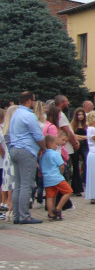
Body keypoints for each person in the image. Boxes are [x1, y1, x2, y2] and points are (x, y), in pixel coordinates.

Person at [7, 92, 44, 224]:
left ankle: (17, 215)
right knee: (26, 184)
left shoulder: (15, 114)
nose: (34, 103)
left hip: (14, 148)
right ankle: (24, 215)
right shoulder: (29, 115)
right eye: (34, 100)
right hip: (26, 150)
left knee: (18, 184)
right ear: (29, 101)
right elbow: (38, 136)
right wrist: (43, 147)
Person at [40, 135, 72, 220]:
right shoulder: (55, 154)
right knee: (68, 191)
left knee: (50, 197)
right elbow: (61, 166)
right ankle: (58, 208)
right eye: (56, 144)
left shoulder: (43, 155)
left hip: (47, 178)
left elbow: (41, 166)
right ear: (50, 144)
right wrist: (61, 173)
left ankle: (51, 214)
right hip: (56, 177)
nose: (57, 146)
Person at [69, 107, 88, 195]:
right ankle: (76, 188)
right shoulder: (72, 124)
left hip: (85, 145)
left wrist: (80, 137)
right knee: (76, 166)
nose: (80, 116)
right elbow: (73, 136)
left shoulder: (86, 125)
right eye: (78, 115)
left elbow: (88, 136)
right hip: (76, 145)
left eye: (82, 114)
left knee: (86, 162)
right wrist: (81, 137)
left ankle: (85, 182)